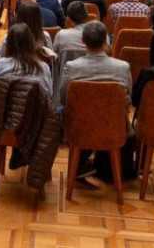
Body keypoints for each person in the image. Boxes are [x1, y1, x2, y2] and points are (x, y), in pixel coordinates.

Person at [57, 21, 133, 180]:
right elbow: (127, 101)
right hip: (114, 127)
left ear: (82, 41)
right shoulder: (123, 67)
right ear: (106, 41)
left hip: (79, 127)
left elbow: (63, 99)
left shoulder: (71, 67)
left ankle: (81, 162)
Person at [0, 23, 53, 96]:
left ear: (9, 44)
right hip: (34, 103)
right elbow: (49, 93)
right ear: (31, 43)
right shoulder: (43, 67)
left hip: (5, 102)